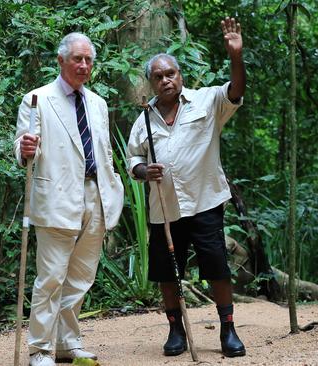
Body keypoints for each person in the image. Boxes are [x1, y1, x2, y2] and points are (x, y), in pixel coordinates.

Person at [126, 17, 246, 358]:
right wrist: (141, 169)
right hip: (164, 208)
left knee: (217, 268)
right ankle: (176, 330)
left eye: (170, 74)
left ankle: (228, 330)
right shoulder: (143, 119)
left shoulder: (207, 101)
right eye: (158, 77)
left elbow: (235, 92)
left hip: (205, 201)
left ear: (180, 76)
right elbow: (132, 157)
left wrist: (235, 56)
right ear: (151, 83)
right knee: (167, 273)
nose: (165, 80)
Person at [14, 32, 124, 366]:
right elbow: (22, 144)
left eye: (89, 59)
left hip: (97, 196)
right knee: (50, 278)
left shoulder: (98, 103)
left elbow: (103, 152)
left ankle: (67, 342)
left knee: (80, 278)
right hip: (57, 198)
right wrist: (25, 149)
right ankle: (41, 349)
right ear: (61, 60)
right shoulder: (36, 99)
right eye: (77, 58)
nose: (84, 65)